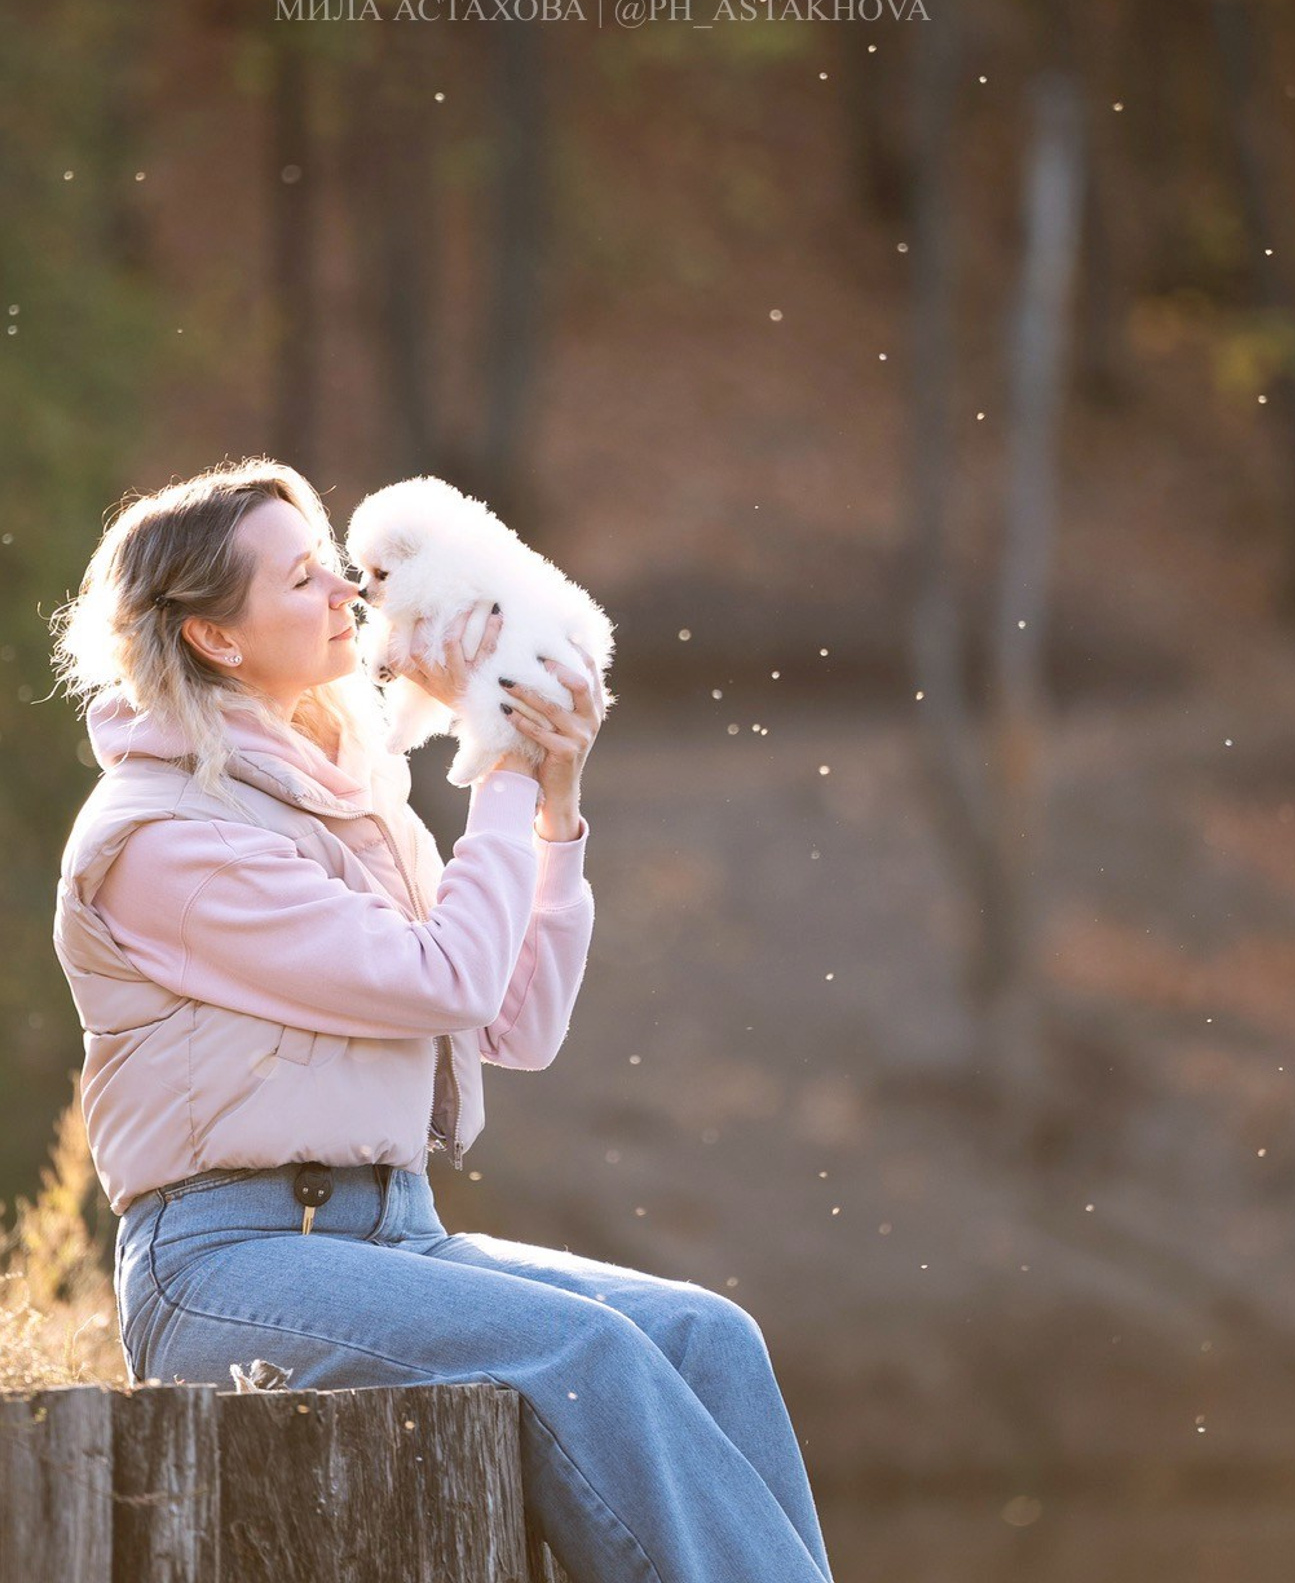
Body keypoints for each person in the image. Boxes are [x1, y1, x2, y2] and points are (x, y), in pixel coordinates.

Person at [48, 457, 835, 1583]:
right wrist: (502, 771)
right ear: (217, 638)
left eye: (333, 564)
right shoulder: (166, 839)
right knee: (582, 1355)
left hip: (392, 1233)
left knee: (709, 1339)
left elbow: (514, 1023)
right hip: (228, 1263)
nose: (345, 594)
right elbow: (446, 981)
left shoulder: (342, 794)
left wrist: (554, 806)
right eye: (304, 578)